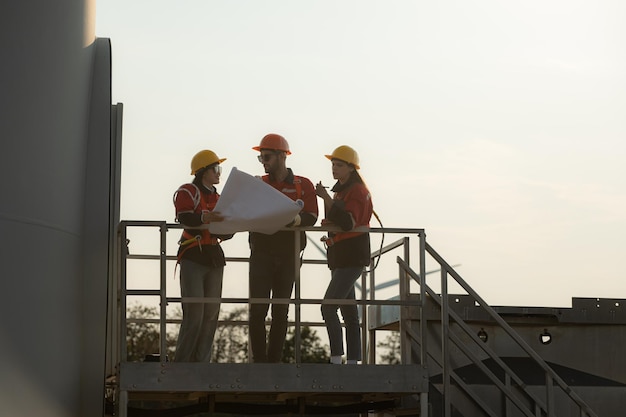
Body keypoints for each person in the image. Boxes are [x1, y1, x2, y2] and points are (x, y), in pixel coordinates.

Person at [248, 133, 319, 363]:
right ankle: (259, 362)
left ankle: (274, 361)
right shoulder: (258, 184)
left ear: (281, 156)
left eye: (266, 156)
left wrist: (294, 221)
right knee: (257, 310)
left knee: (280, 311)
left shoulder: (303, 185)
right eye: (261, 158)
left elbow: (312, 216)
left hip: (288, 255)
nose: (263, 162)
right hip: (261, 253)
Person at [315, 145, 373, 365]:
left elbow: (348, 223)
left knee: (328, 307)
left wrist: (326, 199)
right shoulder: (341, 191)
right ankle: (352, 361)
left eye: (338, 165)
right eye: (333, 165)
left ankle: (337, 360)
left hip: (351, 256)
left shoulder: (356, 191)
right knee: (349, 314)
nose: (334, 169)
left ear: (351, 168)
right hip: (341, 256)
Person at [173, 150, 230, 362]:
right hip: (193, 255)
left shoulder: (218, 196)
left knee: (211, 315)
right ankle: (182, 363)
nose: (218, 173)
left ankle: (201, 363)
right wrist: (206, 217)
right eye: (215, 169)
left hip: (213, 256)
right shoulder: (188, 191)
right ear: (203, 171)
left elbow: (226, 230)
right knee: (195, 314)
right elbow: (184, 216)